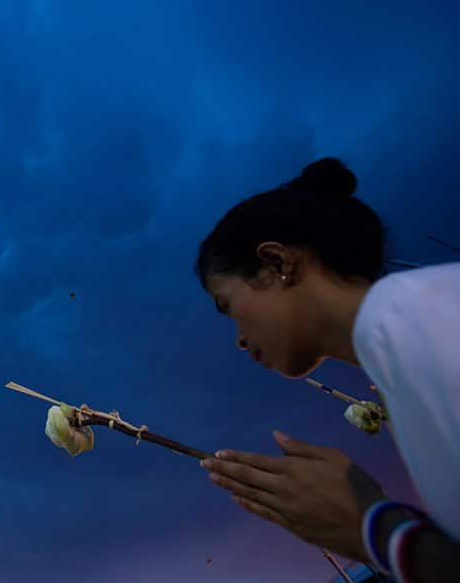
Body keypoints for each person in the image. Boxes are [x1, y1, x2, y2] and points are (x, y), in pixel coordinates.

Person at [193, 158, 459, 582]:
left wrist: (372, 527)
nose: (240, 338)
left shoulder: (423, 320)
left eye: (229, 307)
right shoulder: (402, 344)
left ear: (277, 263)